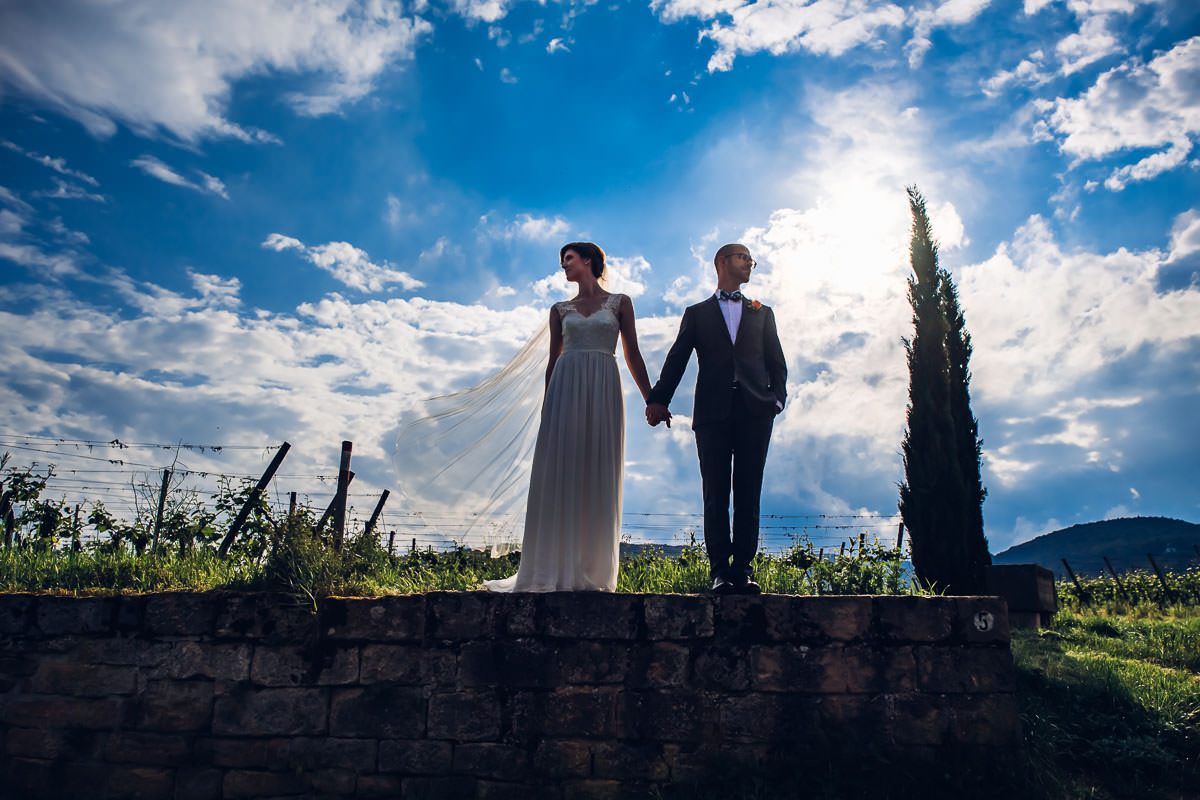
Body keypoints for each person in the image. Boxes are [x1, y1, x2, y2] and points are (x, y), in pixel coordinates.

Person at [485, 242, 654, 592]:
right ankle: (550, 568)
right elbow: (553, 358)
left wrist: (652, 399)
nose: (563, 265)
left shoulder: (621, 303)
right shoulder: (559, 309)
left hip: (604, 386)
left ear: (588, 260)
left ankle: (590, 572)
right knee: (561, 471)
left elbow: (632, 352)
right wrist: (549, 405)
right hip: (566, 388)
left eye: (568, 259)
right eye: (563, 261)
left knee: (598, 468)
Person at [646, 243, 787, 594]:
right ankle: (719, 572)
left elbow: (777, 361)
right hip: (711, 413)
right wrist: (658, 399)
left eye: (751, 260)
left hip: (756, 411)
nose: (750, 264)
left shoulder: (762, 312)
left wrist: (777, 400)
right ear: (722, 262)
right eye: (744, 258)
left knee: (749, 492)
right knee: (715, 493)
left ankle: (742, 569)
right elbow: (677, 358)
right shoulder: (697, 313)